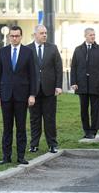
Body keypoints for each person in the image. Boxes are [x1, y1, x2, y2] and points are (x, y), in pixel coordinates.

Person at [0, 25, 36, 165]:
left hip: (22, 96)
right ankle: (6, 157)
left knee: (21, 127)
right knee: (7, 127)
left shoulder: (28, 52)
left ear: (21, 36)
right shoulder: (3, 51)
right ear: (8, 37)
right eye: (12, 36)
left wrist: (32, 95)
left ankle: (20, 156)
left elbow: (33, 76)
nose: (14, 38)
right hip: (5, 95)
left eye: (17, 36)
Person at [27, 25, 63, 154]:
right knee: (34, 119)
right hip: (33, 91)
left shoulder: (53, 48)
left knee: (50, 118)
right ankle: (34, 144)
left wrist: (58, 85)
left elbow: (59, 68)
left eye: (45, 33)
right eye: (41, 33)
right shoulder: (28, 49)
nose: (44, 35)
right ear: (35, 34)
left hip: (49, 90)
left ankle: (52, 144)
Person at [70, 28, 99, 139]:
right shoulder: (78, 50)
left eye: (94, 35)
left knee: (95, 109)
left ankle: (93, 131)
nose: (93, 37)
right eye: (90, 35)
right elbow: (74, 67)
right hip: (81, 85)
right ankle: (86, 130)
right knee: (83, 109)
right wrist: (74, 82)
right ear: (85, 36)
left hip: (95, 85)